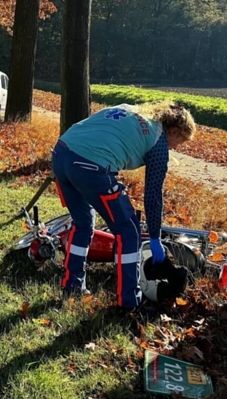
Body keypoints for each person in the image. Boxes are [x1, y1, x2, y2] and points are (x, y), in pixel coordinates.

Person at [51, 102, 196, 308]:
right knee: (129, 231)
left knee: (83, 222)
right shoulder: (159, 142)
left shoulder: (130, 109)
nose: (175, 148)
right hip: (90, 166)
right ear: (173, 131)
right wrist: (155, 238)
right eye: (179, 142)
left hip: (60, 153)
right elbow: (153, 196)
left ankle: (72, 286)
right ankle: (129, 303)